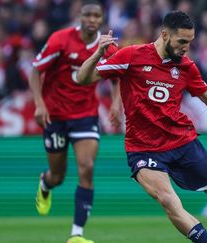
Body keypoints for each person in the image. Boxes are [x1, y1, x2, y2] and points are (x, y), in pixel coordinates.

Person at [77, 11, 207, 243]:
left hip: (182, 143)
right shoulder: (132, 56)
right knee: (169, 201)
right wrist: (98, 53)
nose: (186, 47)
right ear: (165, 35)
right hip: (143, 149)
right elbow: (83, 78)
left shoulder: (187, 67)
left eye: (189, 42)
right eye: (181, 42)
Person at [28, 1, 120, 243]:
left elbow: (116, 76)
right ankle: (45, 184)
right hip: (55, 116)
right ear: (80, 16)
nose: (91, 19)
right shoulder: (60, 40)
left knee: (87, 167)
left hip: (85, 115)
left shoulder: (106, 46)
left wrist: (115, 103)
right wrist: (39, 104)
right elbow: (35, 70)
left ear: (101, 19)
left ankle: (76, 234)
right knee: (57, 176)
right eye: (87, 14)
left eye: (96, 16)